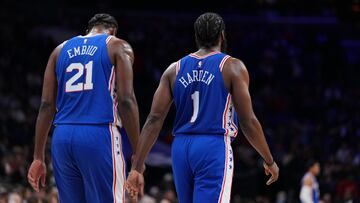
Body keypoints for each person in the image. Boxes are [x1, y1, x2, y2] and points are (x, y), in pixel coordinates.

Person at [127, 12, 279, 203]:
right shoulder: (232, 67)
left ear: (196, 37)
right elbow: (248, 122)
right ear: (222, 35)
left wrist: (137, 167)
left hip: (181, 148)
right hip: (212, 146)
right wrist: (269, 160)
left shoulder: (174, 69)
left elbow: (153, 120)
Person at [27, 13, 140, 203]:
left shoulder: (59, 50)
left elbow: (46, 105)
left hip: (62, 137)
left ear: (88, 29)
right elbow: (126, 100)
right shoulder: (117, 45)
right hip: (98, 133)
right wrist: (139, 153)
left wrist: (38, 157)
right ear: (113, 31)